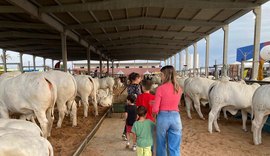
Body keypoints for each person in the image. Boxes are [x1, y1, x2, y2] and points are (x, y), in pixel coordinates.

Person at [152, 65, 183, 156]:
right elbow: (175, 103)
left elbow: (155, 109)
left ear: (165, 75)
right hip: (176, 118)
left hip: (163, 117)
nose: (160, 77)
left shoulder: (160, 88)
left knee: (161, 144)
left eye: (161, 74)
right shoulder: (179, 88)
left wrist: (154, 109)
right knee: (174, 147)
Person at [122, 72, 142, 140]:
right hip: (135, 105)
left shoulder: (129, 86)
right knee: (136, 119)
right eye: (139, 78)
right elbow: (139, 95)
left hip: (128, 104)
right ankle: (136, 133)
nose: (140, 79)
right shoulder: (137, 86)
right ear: (136, 79)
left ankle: (125, 133)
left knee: (128, 119)